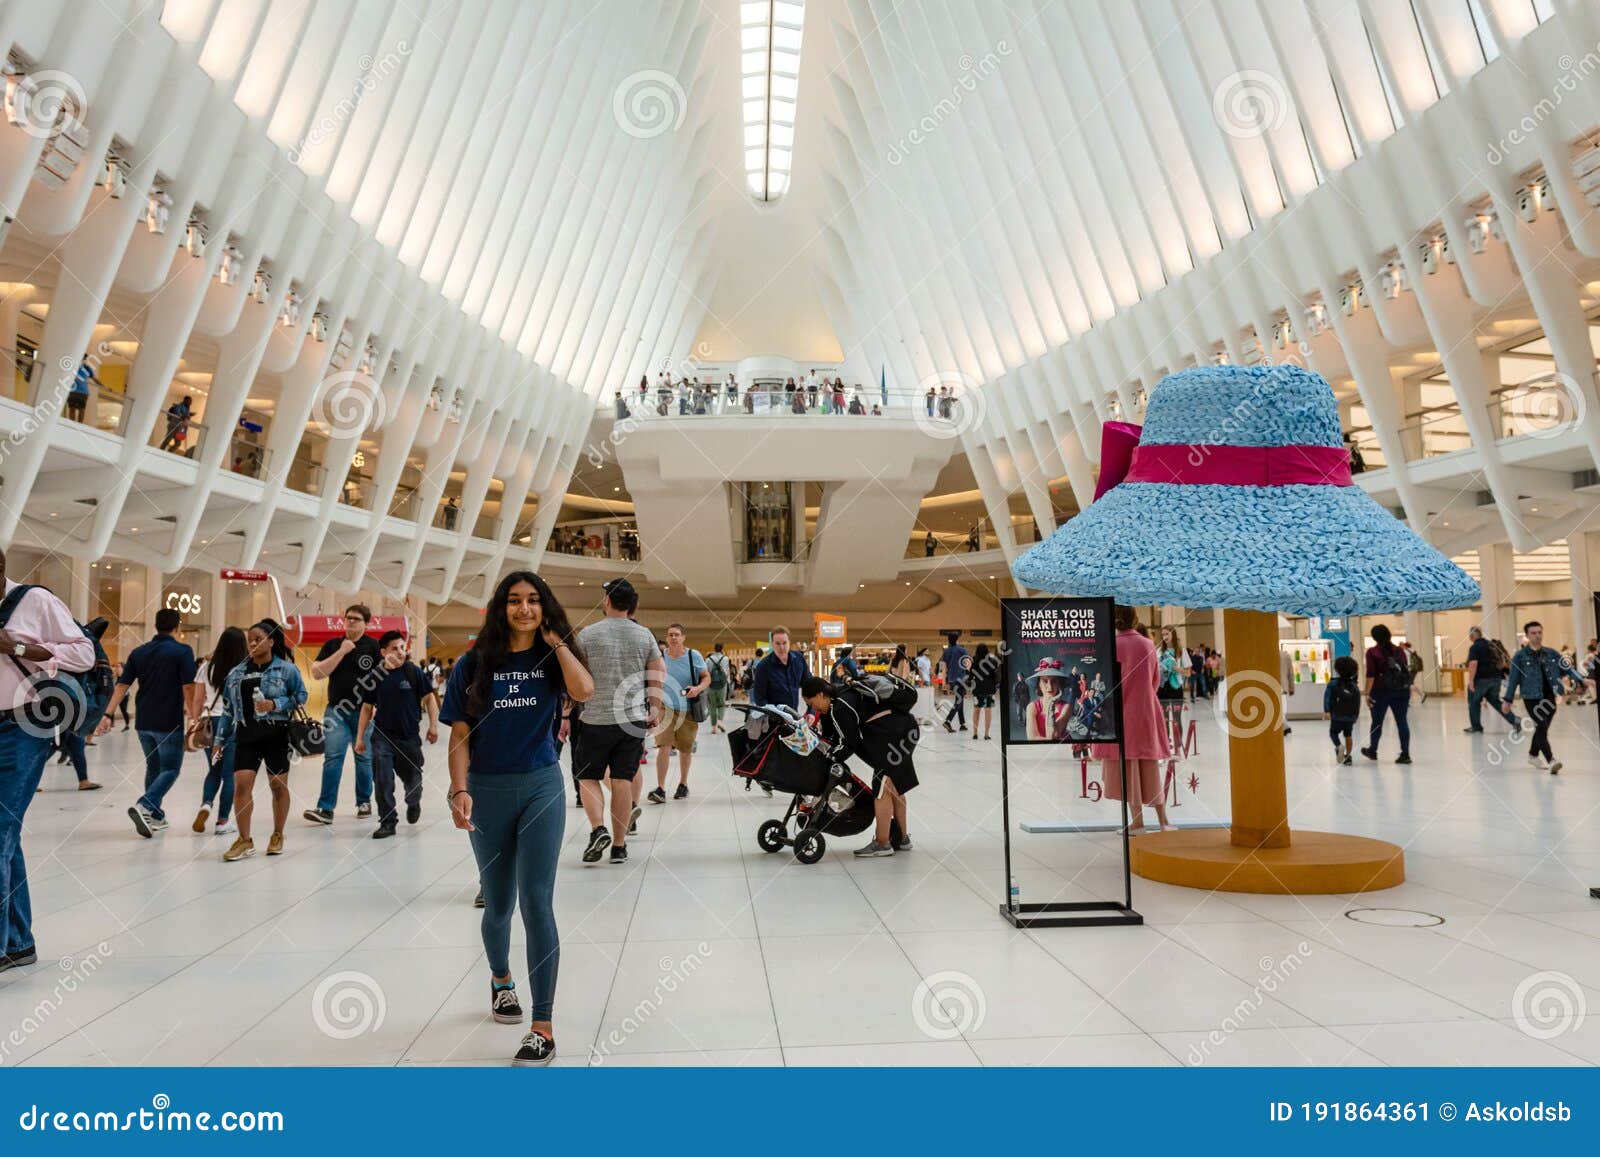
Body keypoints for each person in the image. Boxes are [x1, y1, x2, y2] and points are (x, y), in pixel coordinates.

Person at [443, 570, 593, 1066]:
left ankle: (542, 1027)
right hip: (486, 790)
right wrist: (459, 787)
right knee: (500, 905)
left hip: (540, 785)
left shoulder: (553, 658)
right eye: (514, 601)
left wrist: (558, 643)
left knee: (536, 903)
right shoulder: (473, 663)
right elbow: (460, 733)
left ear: (544, 608)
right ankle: (502, 980)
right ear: (500, 607)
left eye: (533, 601)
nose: (524, 609)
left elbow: (586, 691)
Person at [0, 549, 97, 973]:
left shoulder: (33, 600)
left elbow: (85, 653)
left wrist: (20, 645)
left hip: (23, 726)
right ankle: (19, 941)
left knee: (0, 831)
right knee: (6, 835)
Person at [573, 578, 660, 864]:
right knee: (622, 779)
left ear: (607, 602)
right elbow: (656, 675)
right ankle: (619, 846)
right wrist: (655, 708)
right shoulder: (644, 635)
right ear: (632, 605)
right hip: (632, 720)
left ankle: (598, 828)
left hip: (595, 718)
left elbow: (576, 677)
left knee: (588, 777)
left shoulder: (587, 635)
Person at [98, 606, 198, 836]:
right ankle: (145, 804)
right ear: (177, 627)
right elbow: (188, 686)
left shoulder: (139, 652)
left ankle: (155, 816)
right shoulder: (182, 651)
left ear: (156, 626)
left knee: (153, 767)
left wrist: (108, 713)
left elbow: (122, 685)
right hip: (169, 720)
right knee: (171, 769)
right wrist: (194, 717)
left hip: (143, 721)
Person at [220, 619, 307, 861]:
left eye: (258, 639)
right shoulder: (237, 673)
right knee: (241, 785)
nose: (253, 644)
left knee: (278, 786)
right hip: (246, 734)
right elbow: (228, 708)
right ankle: (244, 840)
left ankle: (278, 833)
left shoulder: (286, 669)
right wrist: (219, 738)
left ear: (271, 641)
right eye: (250, 640)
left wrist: (275, 704)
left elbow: (301, 695)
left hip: (276, 733)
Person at [801, 675, 916, 857]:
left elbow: (849, 743)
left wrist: (831, 757)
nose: (812, 708)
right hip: (902, 731)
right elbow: (836, 734)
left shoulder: (840, 707)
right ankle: (902, 839)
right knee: (894, 786)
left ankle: (882, 843)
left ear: (821, 694)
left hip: (894, 737)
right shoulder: (839, 697)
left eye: (812, 703)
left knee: (881, 787)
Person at [1094, 605, 1172, 832]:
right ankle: (1163, 821)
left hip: (1118, 714)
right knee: (1149, 766)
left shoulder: (1111, 645)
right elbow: (1155, 681)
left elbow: (1103, 684)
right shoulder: (1148, 644)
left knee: (1127, 768)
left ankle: (1137, 822)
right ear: (1135, 619)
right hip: (1146, 711)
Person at [355, 630, 439, 838]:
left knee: (413, 782)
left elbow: (429, 699)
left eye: (403, 647)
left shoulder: (413, 672)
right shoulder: (375, 676)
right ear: (384, 652)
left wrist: (434, 726)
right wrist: (359, 738)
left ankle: (413, 801)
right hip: (382, 736)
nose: (401, 652)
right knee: (382, 779)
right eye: (395, 648)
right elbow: (367, 707)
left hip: (409, 738)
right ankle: (387, 821)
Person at [305, 604, 380, 825]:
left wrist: (378, 706)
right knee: (333, 758)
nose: (351, 622)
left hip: (364, 711)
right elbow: (318, 673)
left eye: (356, 619)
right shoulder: (333, 645)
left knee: (363, 758)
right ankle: (326, 808)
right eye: (348, 618)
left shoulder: (373, 646)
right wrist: (342, 651)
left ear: (366, 623)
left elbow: (382, 677)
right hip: (336, 710)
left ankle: (364, 801)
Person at [187, 625, 248, 835]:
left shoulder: (206, 667)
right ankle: (222, 821)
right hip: (232, 723)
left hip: (209, 723)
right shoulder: (243, 668)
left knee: (213, 770)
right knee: (230, 774)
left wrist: (194, 721)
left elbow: (197, 699)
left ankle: (206, 804)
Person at [1504, 620, 1579, 775]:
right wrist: (1508, 700)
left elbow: (1568, 669)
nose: (1537, 636)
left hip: (1550, 696)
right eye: (1533, 633)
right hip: (1531, 696)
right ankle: (1552, 760)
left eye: (1539, 632)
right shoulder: (1520, 656)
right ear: (1527, 636)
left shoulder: (1551, 653)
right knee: (1541, 726)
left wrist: (1582, 679)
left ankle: (1532, 755)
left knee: (1542, 728)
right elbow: (1513, 679)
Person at [647, 623, 708, 804]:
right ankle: (661, 788)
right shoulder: (660, 657)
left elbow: (707, 677)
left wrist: (697, 688)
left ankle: (683, 783)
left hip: (688, 709)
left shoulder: (693, 656)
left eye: (677, 635)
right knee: (663, 746)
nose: (673, 638)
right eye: (670, 635)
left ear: (683, 638)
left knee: (685, 749)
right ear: (666, 639)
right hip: (666, 708)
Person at [1359, 623, 1412, 765]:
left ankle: (1373, 750)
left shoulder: (1372, 652)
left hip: (1380, 691)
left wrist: (1366, 693)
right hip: (1401, 690)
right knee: (1402, 721)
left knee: (1377, 722)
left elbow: (1371, 675)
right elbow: (1404, 669)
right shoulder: (1399, 651)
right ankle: (1405, 754)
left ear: (1374, 637)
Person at [1462, 625, 1519, 735]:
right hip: (1496, 679)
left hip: (1481, 680)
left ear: (1472, 635)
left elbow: (1473, 664)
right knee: (1496, 702)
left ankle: (1476, 727)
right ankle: (1515, 721)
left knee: (1474, 702)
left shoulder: (1475, 647)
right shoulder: (1491, 644)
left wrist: (1471, 681)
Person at [1323, 655, 1362, 765]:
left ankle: (1339, 746)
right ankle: (1348, 757)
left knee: (1333, 733)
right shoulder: (1354, 685)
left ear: (1337, 669)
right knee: (1348, 735)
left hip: (1337, 715)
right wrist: (1355, 716)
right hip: (1350, 716)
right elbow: (1357, 701)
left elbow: (1327, 698)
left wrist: (1327, 711)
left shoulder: (1333, 684)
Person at [1156, 625, 1188, 754]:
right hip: (1162, 688)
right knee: (1163, 720)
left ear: (1172, 634)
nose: (1164, 637)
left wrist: (1176, 669)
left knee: (1176, 719)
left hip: (1176, 688)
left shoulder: (1181, 651)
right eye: (1163, 634)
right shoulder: (1159, 651)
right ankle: (1165, 748)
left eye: (1167, 634)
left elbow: (1188, 673)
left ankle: (1177, 748)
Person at [939, 631, 971, 733]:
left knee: (959, 700)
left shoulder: (946, 651)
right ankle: (948, 721)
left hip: (952, 680)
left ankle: (962, 724)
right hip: (961, 679)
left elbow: (944, 668)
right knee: (959, 701)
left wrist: (944, 682)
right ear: (957, 639)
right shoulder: (962, 650)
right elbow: (967, 664)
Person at [968, 642, 999, 740]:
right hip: (989, 688)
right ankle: (986, 734)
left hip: (977, 688)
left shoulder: (975, 661)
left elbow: (971, 675)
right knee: (988, 710)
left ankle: (975, 733)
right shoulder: (992, 661)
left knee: (976, 710)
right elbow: (995, 676)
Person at [705, 641, 732, 732]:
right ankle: (720, 721)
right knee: (721, 704)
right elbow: (727, 672)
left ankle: (713, 728)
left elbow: (706, 673)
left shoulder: (708, 659)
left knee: (712, 705)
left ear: (714, 649)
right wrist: (728, 683)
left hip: (711, 684)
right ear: (722, 649)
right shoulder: (725, 659)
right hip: (722, 684)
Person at [67, 356, 97, 423]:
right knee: (72, 408)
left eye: (84, 358)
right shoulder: (72, 365)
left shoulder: (87, 368)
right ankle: (71, 424)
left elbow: (94, 378)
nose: (83, 359)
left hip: (83, 392)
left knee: (81, 409)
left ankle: (80, 424)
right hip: (72, 391)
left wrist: (103, 386)